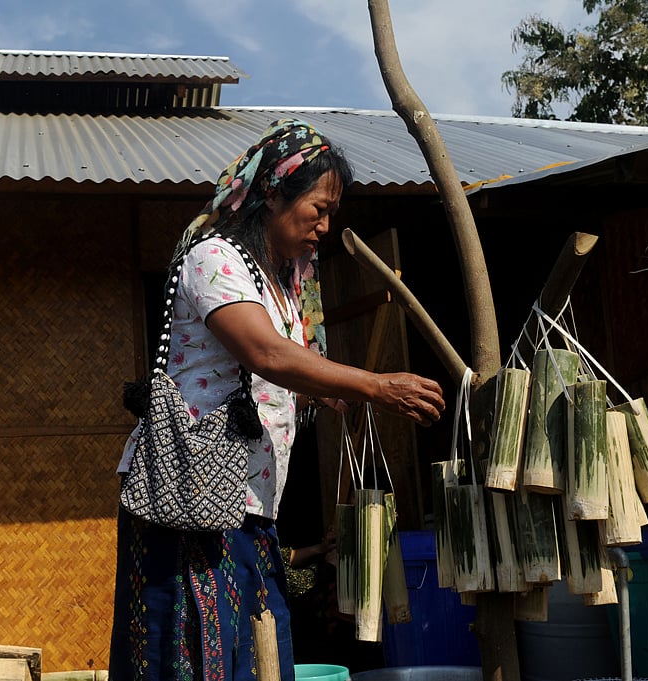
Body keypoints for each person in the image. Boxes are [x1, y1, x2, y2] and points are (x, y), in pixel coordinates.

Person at [109, 119, 445, 681]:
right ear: (273, 194)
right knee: (195, 657)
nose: (325, 225)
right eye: (318, 208)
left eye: (332, 213)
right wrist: (373, 385)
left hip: (250, 508)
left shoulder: (284, 282)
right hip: (191, 500)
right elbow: (265, 352)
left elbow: (277, 372)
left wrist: (326, 392)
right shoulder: (215, 258)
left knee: (261, 658)